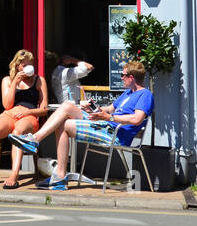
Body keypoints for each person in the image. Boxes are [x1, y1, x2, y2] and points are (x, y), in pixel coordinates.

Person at [10, 59, 153, 191]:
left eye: (123, 75)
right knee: (66, 106)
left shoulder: (145, 95)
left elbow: (137, 119)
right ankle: (36, 141)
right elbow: (109, 109)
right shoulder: (128, 93)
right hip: (105, 124)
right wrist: (93, 108)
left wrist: (109, 117)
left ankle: (57, 173)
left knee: (64, 125)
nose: (121, 78)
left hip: (114, 133)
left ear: (131, 77)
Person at [0, 49, 48, 189]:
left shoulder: (39, 80)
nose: (27, 67)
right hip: (10, 113)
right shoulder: (7, 80)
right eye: (24, 65)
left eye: (30, 64)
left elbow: (44, 110)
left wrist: (28, 112)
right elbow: (7, 105)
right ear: (17, 66)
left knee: (17, 132)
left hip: (28, 115)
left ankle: (14, 175)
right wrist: (14, 83)